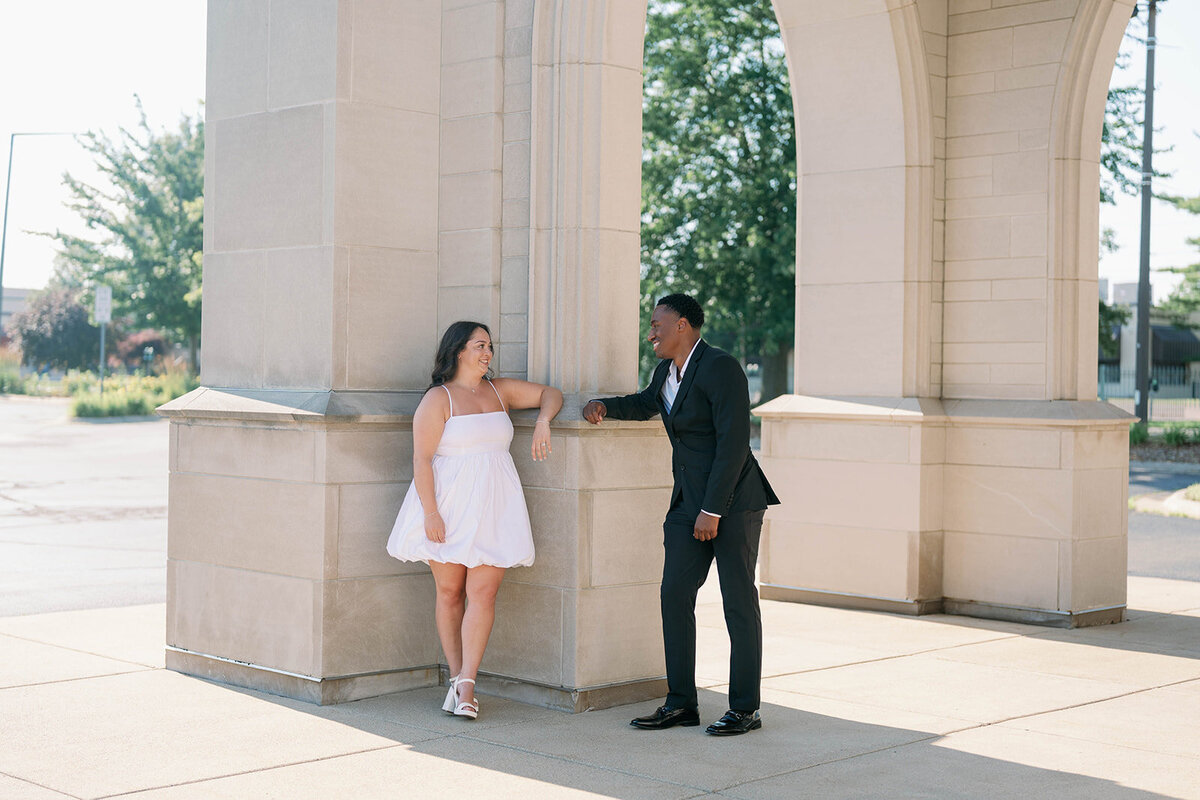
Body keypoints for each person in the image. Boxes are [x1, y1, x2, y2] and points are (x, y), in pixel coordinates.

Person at [583, 294, 779, 736]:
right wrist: (604, 406)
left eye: (657, 325)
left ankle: (745, 708)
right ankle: (681, 703)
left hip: (733, 502)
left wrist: (712, 509)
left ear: (684, 326)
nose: (650, 332)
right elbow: (645, 403)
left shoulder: (721, 367)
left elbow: (733, 442)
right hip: (686, 503)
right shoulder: (665, 373)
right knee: (674, 594)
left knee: (737, 603)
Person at [387, 320, 563, 720]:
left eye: (490, 346)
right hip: (447, 505)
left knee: (483, 594)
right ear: (458, 351)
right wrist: (430, 511)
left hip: (495, 506)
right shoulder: (439, 398)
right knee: (450, 594)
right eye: (479, 346)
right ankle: (456, 678)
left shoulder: (500, 391)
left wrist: (542, 420)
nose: (487, 353)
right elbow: (421, 459)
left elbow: (551, 394)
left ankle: (468, 684)